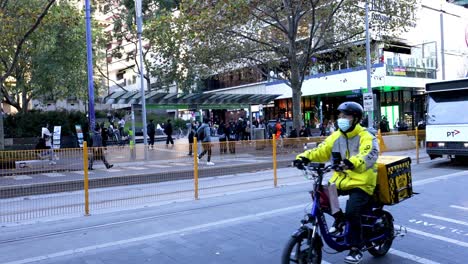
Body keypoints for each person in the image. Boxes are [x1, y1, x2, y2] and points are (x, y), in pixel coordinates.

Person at [293, 102, 379, 264]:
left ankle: (356, 248)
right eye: (340, 116)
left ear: (356, 119)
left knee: (352, 211)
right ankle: (340, 219)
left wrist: (352, 162)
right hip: (340, 180)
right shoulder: (336, 136)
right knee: (320, 196)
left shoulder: (366, 136)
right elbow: (321, 150)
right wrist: (303, 157)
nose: (341, 119)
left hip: (362, 182)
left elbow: (369, 154)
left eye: (345, 116)